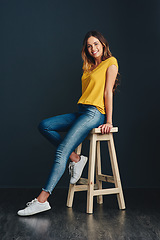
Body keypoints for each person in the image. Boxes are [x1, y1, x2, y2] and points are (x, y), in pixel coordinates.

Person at [17, 30, 120, 216]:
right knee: (45, 125)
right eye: (89, 46)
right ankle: (77, 159)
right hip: (82, 111)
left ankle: (42, 199)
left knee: (61, 150)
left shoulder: (110, 63)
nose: (93, 48)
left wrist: (109, 121)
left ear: (103, 44)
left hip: (95, 113)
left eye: (96, 44)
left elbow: (108, 93)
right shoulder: (88, 67)